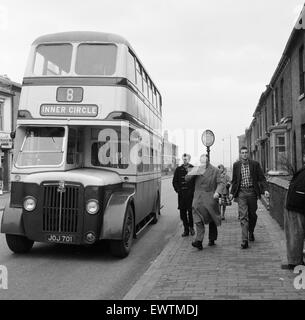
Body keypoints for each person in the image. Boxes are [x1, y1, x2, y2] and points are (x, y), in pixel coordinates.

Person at [230, 146, 269, 249]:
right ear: (240, 154)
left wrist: (265, 190)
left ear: (248, 154)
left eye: (246, 152)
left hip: (252, 192)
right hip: (241, 193)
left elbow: (261, 178)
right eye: (242, 153)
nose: (244, 154)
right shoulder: (236, 165)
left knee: (252, 215)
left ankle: (251, 231)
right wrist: (231, 193)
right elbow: (234, 181)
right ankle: (244, 240)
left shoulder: (255, 164)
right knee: (243, 216)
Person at [185, 154, 224, 250]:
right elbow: (187, 178)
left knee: (212, 219)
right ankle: (199, 241)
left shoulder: (215, 171)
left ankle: (212, 238)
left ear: (208, 161)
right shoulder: (197, 169)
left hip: (210, 198)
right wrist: (194, 171)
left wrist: (217, 192)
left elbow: (220, 183)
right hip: (198, 199)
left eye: (204, 162)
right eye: (201, 161)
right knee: (198, 220)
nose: (202, 163)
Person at [281, 164, 305, 270]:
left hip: (296, 200)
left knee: (295, 232)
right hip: (295, 204)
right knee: (295, 233)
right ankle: (294, 262)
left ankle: (295, 260)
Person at [172, 153, 195, 237]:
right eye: (183, 159)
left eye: (186, 159)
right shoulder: (178, 169)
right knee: (183, 213)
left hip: (190, 195)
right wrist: (178, 190)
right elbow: (174, 182)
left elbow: (196, 182)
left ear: (189, 159)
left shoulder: (193, 168)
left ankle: (191, 227)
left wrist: (193, 191)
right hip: (181, 195)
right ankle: (186, 229)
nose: (185, 160)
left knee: (191, 212)